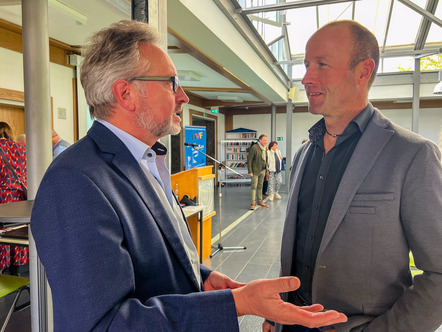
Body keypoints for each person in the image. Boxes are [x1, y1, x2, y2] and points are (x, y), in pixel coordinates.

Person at [31, 20, 347, 331]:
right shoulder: (74, 182)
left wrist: (203, 277)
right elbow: (104, 324)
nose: (184, 96)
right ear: (126, 94)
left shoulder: (145, 159)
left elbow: (158, 252)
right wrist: (237, 303)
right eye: (171, 83)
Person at [263, 20, 442, 332]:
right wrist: (278, 312)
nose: (306, 78)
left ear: (364, 71)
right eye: (306, 65)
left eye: (321, 64)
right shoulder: (305, 155)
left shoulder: (412, 155)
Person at [0, 122, 28, 274]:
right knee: (16, 233)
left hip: (3, 198)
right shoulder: (22, 150)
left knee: (2, 235)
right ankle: (15, 272)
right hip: (19, 199)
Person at [247, 134, 269, 210]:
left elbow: (265, 159)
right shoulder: (254, 147)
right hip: (255, 171)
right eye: (264, 140)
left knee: (260, 187)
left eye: (266, 140)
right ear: (260, 140)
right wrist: (250, 171)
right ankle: (252, 203)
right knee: (254, 187)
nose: (266, 142)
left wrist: (266, 169)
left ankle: (260, 201)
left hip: (263, 170)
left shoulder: (265, 148)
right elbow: (249, 160)